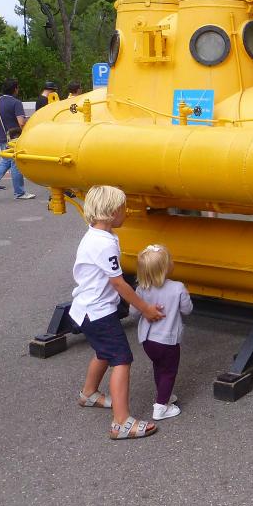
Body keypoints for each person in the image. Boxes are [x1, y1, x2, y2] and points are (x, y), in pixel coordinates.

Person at [69, 185, 164, 440]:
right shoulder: (104, 244)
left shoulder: (97, 235)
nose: (127, 212)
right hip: (98, 312)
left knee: (104, 351)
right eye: (123, 208)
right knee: (121, 359)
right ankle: (121, 422)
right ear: (111, 212)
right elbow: (119, 283)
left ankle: (89, 393)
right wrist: (145, 309)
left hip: (87, 309)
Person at [131, 244, 192, 421]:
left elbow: (133, 312)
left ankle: (163, 395)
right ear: (165, 268)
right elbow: (187, 309)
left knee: (158, 366)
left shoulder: (141, 289)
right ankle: (160, 407)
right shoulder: (178, 287)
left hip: (148, 340)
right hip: (168, 340)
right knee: (169, 371)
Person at [0, 78, 37, 201]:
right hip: (15, 138)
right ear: (15, 89)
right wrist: (29, 121)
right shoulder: (16, 102)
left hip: (2, 136)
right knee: (16, 164)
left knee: (6, 161)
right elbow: (21, 122)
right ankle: (20, 192)